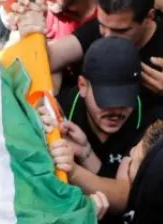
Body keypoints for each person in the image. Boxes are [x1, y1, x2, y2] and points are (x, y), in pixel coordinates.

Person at [55, 37, 154, 179]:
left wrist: (82, 159)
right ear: (83, 86)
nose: (115, 111)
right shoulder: (62, 111)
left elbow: (127, 195)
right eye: (105, 100)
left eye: (124, 100)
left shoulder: (151, 120)